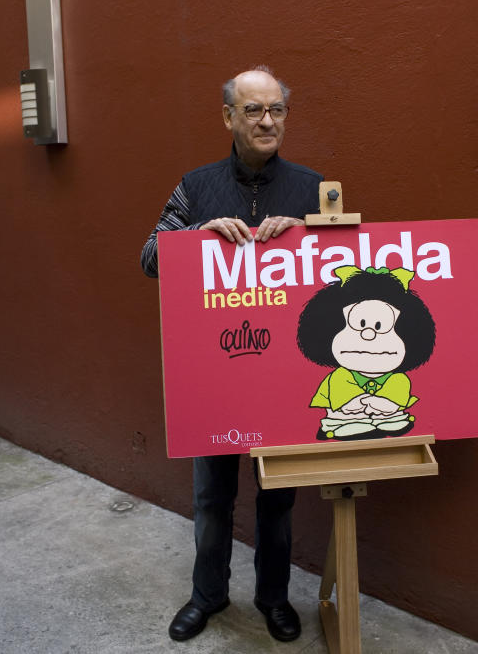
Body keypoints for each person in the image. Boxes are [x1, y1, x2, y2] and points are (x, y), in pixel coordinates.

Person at [140, 66, 323, 642]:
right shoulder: (195, 186)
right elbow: (149, 257)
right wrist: (196, 235)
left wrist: (307, 237)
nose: (267, 121)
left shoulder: (313, 186)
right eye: (253, 110)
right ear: (228, 117)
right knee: (211, 497)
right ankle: (208, 597)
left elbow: (347, 270)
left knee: (278, 498)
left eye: (277, 110)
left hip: (285, 378)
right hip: (216, 375)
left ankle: (273, 598)